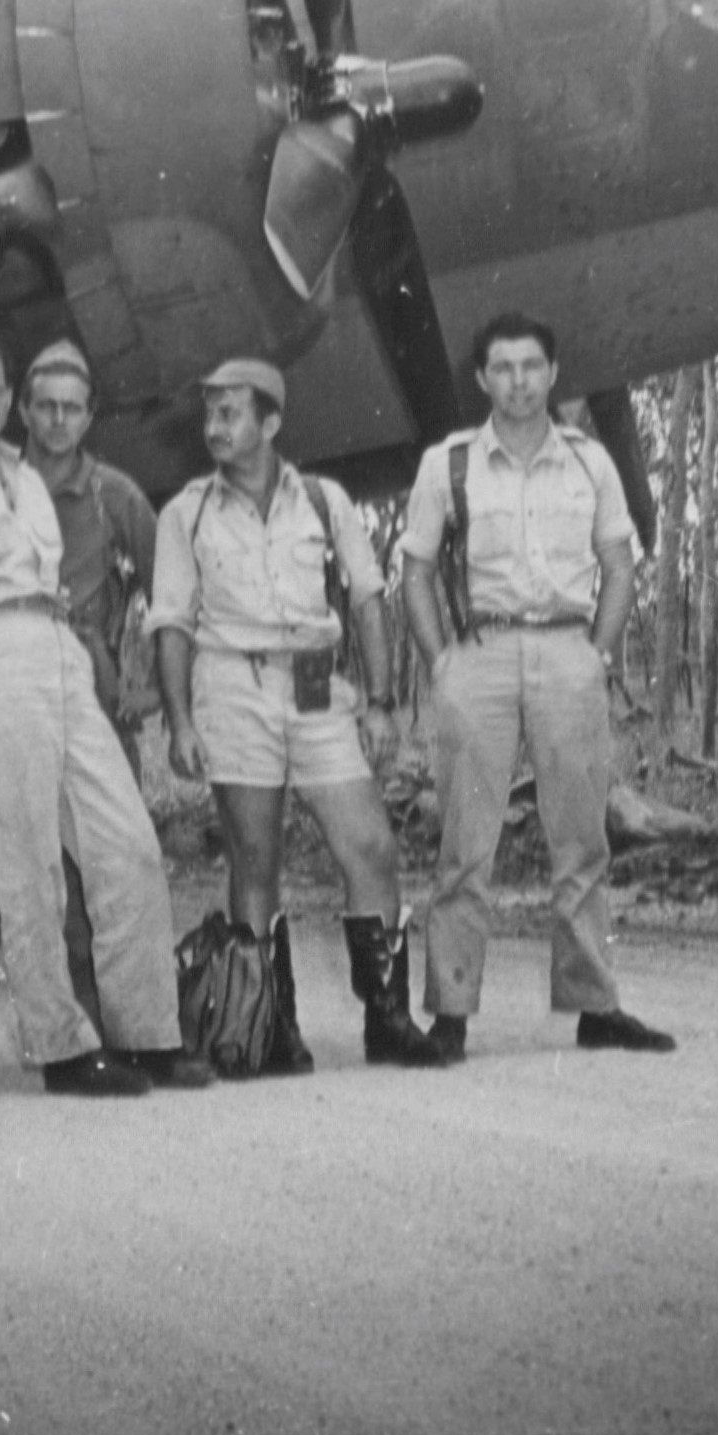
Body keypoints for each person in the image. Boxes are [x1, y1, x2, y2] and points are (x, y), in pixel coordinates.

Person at [0, 328, 202, 1099]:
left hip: (58, 647)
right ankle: (61, 1046)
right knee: (26, 864)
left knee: (124, 846)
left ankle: (147, 1032)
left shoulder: (23, 478)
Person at [395, 310, 676, 1060]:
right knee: (465, 844)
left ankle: (594, 1005)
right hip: (479, 655)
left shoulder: (588, 462)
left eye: (531, 367)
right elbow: (415, 570)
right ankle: (449, 1013)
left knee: (581, 842)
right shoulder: (448, 464)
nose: (517, 382)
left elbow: (618, 564)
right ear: (482, 379)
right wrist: (440, 662)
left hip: (565, 654)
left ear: (552, 376)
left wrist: (597, 654)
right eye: (503, 368)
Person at [151, 355, 435, 1071]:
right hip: (232, 678)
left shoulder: (321, 499)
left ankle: (388, 1019)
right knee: (256, 859)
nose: (213, 427)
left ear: (269, 422)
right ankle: (265, 1025)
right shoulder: (185, 512)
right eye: (208, 413)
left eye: (229, 413)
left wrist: (376, 701)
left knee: (368, 845)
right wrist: (181, 720)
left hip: (311, 675)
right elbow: (172, 623)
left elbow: (367, 596)